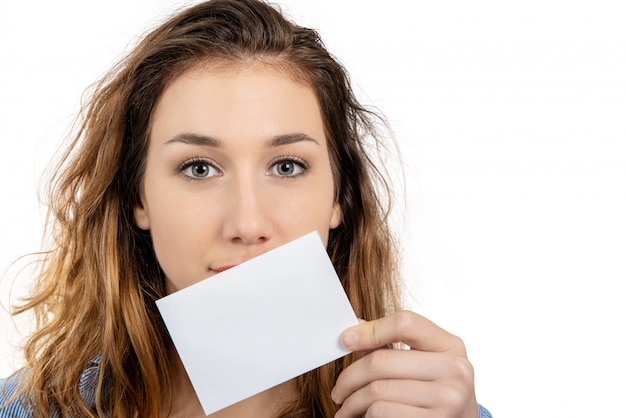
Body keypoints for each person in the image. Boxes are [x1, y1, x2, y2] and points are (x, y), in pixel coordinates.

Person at [0, 0, 492, 417]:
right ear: (138, 199)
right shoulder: (27, 407)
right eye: (198, 168)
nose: (248, 224)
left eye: (286, 166)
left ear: (339, 198)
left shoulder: (428, 409)